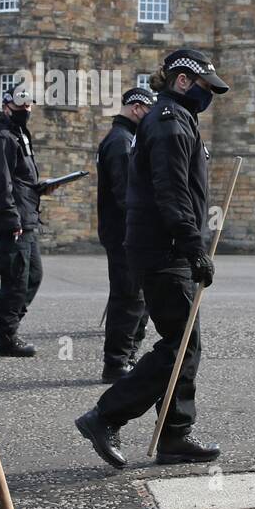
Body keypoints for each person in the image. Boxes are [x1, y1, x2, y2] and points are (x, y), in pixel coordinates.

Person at [75, 49, 229, 467]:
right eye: (204, 87)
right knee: (180, 345)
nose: (208, 96)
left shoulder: (175, 120)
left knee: (184, 344)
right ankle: (105, 416)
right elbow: (171, 192)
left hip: (165, 248)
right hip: (164, 252)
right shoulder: (169, 124)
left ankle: (175, 434)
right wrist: (194, 246)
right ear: (183, 81)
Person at [0, 85, 54, 356]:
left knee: (32, 276)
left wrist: (40, 187)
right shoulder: (3, 138)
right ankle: (6, 337)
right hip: (15, 222)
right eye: (21, 105)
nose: (26, 110)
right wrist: (12, 219)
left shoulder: (20, 136)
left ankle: (8, 329)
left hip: (27, 217)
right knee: (16, 279)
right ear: (6, 106)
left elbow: (20, 180)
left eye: (29, 105)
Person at [96, 87, 156, 382]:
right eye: (148, 111)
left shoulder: (123, 138)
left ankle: (127, 356)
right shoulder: (121, 141)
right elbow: (125, 192)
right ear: (136, 108)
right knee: (128, 296)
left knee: (136, 295)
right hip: (123, 232)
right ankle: (117, 362)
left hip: (124, 230)